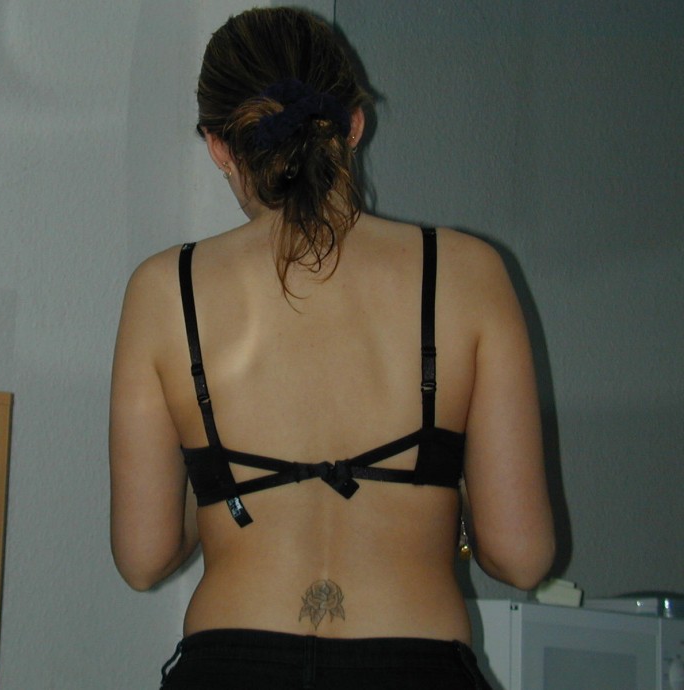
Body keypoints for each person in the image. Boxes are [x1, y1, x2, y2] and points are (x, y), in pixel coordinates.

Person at [109, 7, 554, 689]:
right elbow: (522, 558)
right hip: (413, 667)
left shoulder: (165, 288)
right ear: (354, 125)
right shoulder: (468, 273)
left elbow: (144, 559)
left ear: (219, 147)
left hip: (230, 669)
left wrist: (223, 480)